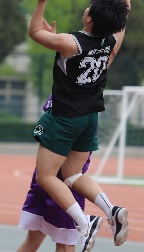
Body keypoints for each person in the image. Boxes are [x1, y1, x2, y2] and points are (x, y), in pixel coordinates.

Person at [28, 0, 132, 251]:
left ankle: (84, 223)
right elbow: (117, 39)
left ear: (89, 19)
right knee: (72, 173)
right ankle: (112, 210)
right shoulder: (108, 43)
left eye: (89, 8)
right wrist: (124, 12)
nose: (86, 9)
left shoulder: (70, 42)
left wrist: (42, 0)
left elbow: (35, 32)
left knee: (46, 177)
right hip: (89, 118)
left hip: (64, 118)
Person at [17, 96, 102, 252]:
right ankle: (93, 218)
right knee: (64, 244)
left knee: (34, 239)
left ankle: (102, 214)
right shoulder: (85, 108)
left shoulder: (63, 96)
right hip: (60, 185)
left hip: (47, 177)